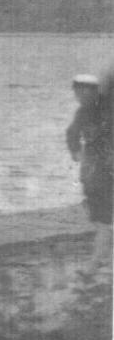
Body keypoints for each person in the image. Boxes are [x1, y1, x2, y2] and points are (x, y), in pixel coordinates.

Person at [70, 71, 110, 256]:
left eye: (80, 92)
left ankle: (96, 261)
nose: (77, 96)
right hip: (93, 169)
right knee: (97, 214)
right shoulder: (83, 111)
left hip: (104, 169)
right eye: (76, 92)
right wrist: (76, 151)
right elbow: (72, 133)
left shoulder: (107, 110)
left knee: (102, 220)